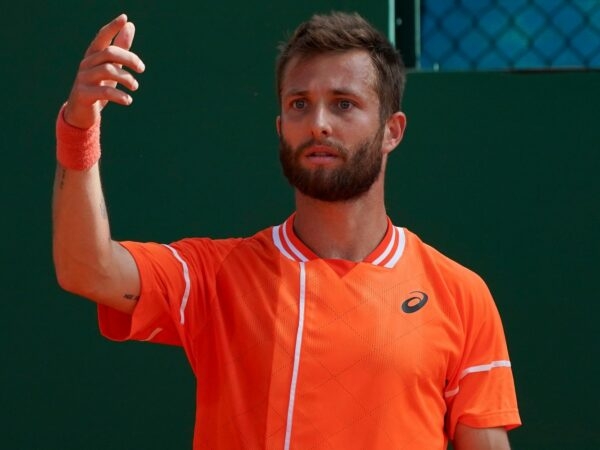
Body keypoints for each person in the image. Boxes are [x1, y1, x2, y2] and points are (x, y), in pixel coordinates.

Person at [53, 11, 521, 450]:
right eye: (300, 104)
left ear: (391, 131)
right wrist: (80, 128)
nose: (318, 123)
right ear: (280, 127)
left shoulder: (461, 296)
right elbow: (86, 268)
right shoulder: (216, 276)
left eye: (343, 104)